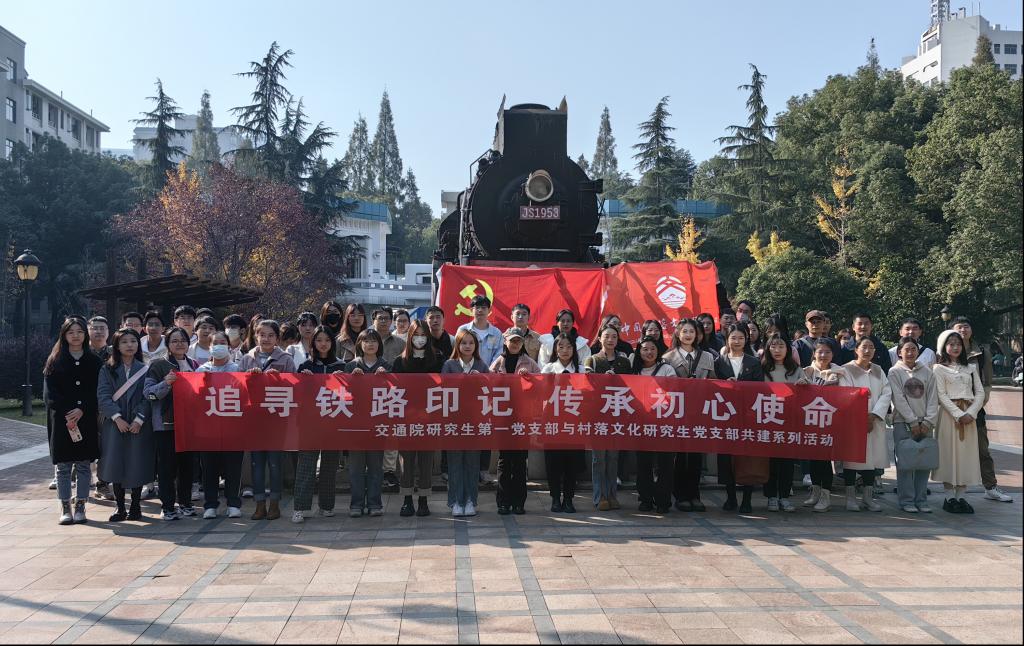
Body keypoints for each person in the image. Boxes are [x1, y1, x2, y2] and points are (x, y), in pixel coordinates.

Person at [45, 317, 102, 525]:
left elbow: (98, 390)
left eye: (79, 331)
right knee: (63, 466)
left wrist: (82, 409)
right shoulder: (55, 360)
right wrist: (67, 411)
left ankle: (81, 505)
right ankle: (65, 506)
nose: (76, 335)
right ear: (64, 335)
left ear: (85, 334)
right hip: (62, 420)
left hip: (85, 419)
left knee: (84, 465)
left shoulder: (94, 361)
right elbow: (50, 393)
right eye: (71, 332)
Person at [238, 320, 296, 520]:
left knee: (275, 463)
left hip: (276, 419)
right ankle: (259, 504)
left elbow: (294, 387)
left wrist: (279, 379)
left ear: (277, 338)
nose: (266, 339)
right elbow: (237, 387)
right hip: (254, 419)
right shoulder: (247, 359)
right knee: (257, 463)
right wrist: (249, 377)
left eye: (271, 335)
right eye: (262, 334)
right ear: (256, 336)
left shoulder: (286, 359)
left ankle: (275, 504)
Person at [952, 316, 1012, 503]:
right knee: (952, 451)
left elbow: (987, 383)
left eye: (966, 326)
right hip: (950, 409)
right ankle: (953, 492)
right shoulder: (944, 352)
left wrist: (975, 407)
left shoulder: (981, 352)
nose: (963, 330)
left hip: (975, 409)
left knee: (982, 450)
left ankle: (990, 487)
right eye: (959, 327)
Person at [97, 328, 155, 522]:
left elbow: (147, 397)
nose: (129, 345)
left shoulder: (145, 369)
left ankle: (136, 506)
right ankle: (120, 507)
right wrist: (117, 418)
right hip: (115, 424)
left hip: (139, 424)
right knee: (116, 464)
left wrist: (139, 419)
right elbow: (103, 396)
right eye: (124, 342)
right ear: (116, 346)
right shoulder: (107, 369)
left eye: (133, 341)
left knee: (137, 463)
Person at [292, 326, 347, 523]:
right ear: (313, 343)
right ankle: (300, 508)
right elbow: (297, 396)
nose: (323, 344)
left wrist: (345, 380)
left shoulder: (341, 366)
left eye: (327, 340)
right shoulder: (305, 366)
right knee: (306, 465)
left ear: (333, 343)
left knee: (330, 467)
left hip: (334, 423)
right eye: (319, 340)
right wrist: (303, 380)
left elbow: (350, 396)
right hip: (310, 424)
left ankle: (326, 506)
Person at [144, 327, 199, 521]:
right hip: (165, 425)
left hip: (189, 425)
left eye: (183, 340)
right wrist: (166, 383)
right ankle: (167, 506)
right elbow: (148, 393)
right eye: (174, 341)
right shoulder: (158, 365)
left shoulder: (195, 365)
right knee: (166, 467)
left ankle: (185, 503)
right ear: (167, 344)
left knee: (187, 467)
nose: (179, 344)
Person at [664, 318, 715, 512]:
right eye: (684, 331)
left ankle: (695, 494)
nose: (688, 335)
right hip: (677, 412)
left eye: (691, 331)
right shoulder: (668, 357)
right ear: (678, 333)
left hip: (699, 412)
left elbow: (713, 382)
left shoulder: (707, 357)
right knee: (679, 455)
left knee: (696, 455)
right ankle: (680, 495)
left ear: (697, 335)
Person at [392, 320, 442, 517]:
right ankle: (406, 499)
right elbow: (395, 391)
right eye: (416, 335)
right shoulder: (400, 361)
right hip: (406, 418)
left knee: (426, 461)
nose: (420, 339)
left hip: (430, 418)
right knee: (406, 462)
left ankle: (423, 499)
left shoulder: (437, 359)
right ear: (410, 337)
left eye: (423, 335)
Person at [932, 330, 985, 514]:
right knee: (948, 454)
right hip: (948, 417)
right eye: (951, 344)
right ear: (943, 347)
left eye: (958, 344)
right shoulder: (938, 369)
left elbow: (980, 392)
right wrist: (958, 414)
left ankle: (961, 496)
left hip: (969, 418)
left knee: (966, 455)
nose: (955, 347)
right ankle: (949, 497)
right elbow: (941, 394)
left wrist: (971, 413)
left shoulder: (970, 368)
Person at [714, 323, 765, 513]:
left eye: (741, 338)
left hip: (748, 416)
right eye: (733, 338)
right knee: (726, 459)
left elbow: (760, 388)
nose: (737, 341)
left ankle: (747, 499)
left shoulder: (754, 362)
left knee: (747, 458)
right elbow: (712, 385)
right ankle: (731, 497)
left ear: (746, 339)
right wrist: (725, 384)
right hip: (725, 416)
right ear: (727, 339)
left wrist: (742, 386)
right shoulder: (719, 361)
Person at [490, 328, 540, 515]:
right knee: (504, 461)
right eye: (512, 341)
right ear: (506, 342)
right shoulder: (498, 361)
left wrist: (529, 378)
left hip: (522, 417)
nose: (515, 344)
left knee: (519, 461)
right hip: (503, 417)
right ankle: (503, 501)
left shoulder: (530, 362)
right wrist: (497, 378)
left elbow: (541, 383)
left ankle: (519, 502)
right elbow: (487, 383)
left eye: (518, 341)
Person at [441, 329, 490, 517]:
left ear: (476, 346)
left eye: (471, 343)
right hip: (454, 421)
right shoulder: (449, 365)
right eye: (464, 343)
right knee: (455, 463)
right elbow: (443, 389)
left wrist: (480, 379)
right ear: (457, 345)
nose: (467, 346)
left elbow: (490, 391)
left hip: (475, 421)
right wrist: (461, 379)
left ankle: (470, 500)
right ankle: (455, 501)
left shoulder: (481, 365)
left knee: (472, 463)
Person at [839, 337, 892, 512]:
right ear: (856, 350)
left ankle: (868, 498)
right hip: (854, 423)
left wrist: (874, 415)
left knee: (872, 460)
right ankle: (850, 498)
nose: (868, 351)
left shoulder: (878, 370)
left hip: (875, 422)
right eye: (864, 347)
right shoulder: (846, 369)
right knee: (852, 461)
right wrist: (862, 417)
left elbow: (886, 393)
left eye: (871, 347)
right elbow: (846, 394)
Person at [889, 336, 939, 514]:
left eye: (913, 349)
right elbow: (898, 399)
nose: (910, 353)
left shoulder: (927, 372)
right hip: (903, 423)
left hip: (925, 424)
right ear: (899, 352)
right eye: (906, 349)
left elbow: (933, 398)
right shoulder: (894, 372)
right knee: (906, 463)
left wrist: (928, 421)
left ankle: (921, 500)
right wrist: (912, 421)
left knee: (923, 463)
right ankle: (907, 500)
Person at [584, 325, 632, 511]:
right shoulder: (593, 360)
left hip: (617, 415)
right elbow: (587, 384)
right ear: (600, 338)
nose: (610, 340)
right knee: (599, 459)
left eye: (614, 336)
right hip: (597, 415)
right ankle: (600, 496)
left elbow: (632, 386)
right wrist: (603, 379)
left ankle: (612, 495)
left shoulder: (624, 361)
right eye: (606, 336)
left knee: (613, 458)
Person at [343, 328, 390, 517]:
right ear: (359, 344)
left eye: (374, 341)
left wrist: (386, 379)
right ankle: (356, 504)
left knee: (376, 467)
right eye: (366, 341)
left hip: (378, 424)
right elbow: (343, 396)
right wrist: (352, 380)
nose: (370, 344)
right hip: (355, 424)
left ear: (379, 344)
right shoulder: (351, 366)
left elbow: (395, 394)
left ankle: (374, 503)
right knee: (356, 467)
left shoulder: (386, 366)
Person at [196, 331, 243, 519]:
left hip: (232, 426)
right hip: (208, 427)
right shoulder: (201, 370)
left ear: (229, 347)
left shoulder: (237, 369)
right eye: (215, 343)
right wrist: (202, 383)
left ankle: (233, 503)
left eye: (223, 342)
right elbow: (194, 397)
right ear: (209, 346)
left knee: (233, 467)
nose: (219, 346)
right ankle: (210, 504)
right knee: (209, 467)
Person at [761, 334, 807, 512]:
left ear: (788, 349)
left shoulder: (796, 369)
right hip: (768, 420)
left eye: (781, 346)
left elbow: (808, 389)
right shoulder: (762, 368)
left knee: (787, 462)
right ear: (768, 349)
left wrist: (804, 383)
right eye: (773, 346)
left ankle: (785, 496)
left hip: (790, 421)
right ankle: (771, 496)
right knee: (770, 462)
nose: (777, 350)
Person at [541, 334, 586, 513]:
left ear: (574, 349)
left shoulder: (581, 370)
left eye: (568, 347)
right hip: (553, 422)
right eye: (561, 347)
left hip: (575, 422)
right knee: (553, 463)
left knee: (571, 464)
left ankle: (568, 499)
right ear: (555, 349)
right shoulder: (548, 368)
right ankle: (555, 498)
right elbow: (540, 394)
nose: (565, 350)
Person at [633, 336, 677, 514]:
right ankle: (645, 499)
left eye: (652, 348)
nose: (649, 352)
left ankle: (663, 500)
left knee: (665, 464)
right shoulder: (635, 371)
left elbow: (674, 392)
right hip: (642, 424)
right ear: (639, 351)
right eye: (645, 349)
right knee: (643, 464)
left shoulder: (667, 369)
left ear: (658, 350)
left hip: (664, 424)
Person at [801, 340, 844, 512]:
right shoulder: (806, 372)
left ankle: (826, 496)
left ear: (833, 354)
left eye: (827, 352)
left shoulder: (839, 373)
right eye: (820, 352)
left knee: (825, 460)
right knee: (813, 460)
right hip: (810, 422)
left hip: (829, 422)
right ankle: (815, 492)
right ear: (814, 354)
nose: (823, 355)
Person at [457, 295, 503, 367]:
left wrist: (489, 370)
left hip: (489, 372)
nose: (480, 310)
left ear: (489, 310)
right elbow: (457, 351)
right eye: (477, 308)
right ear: (471, 310)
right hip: (466, 372)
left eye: (484, 307)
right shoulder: (463, 329)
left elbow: (499, 354)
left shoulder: (496, 333)